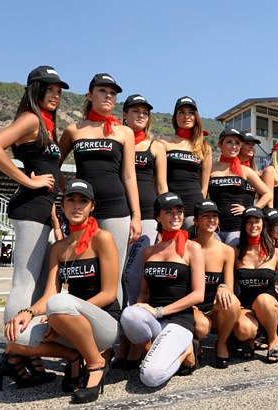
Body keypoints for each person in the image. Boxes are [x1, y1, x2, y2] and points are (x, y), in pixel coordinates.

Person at [0, 66, 67, 384]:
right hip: (29, 208)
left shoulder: (45, 124)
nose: (56, 94)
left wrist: (56, 219)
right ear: (35, 90)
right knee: (24, 284)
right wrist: (27, 182)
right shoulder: (30, 119)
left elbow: (51, 180)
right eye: (50, 89)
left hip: (42, 212)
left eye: (59, 90)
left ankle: (26, 356)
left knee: (36, 291)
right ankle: (13, 358)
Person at [2, 179, 120, 403]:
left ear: (92, 206)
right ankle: (74, 356)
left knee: (59, 304)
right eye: (71, 200)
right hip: (67, 320)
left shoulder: (102, 238)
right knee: (14, 340)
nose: (77, 206)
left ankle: (96, 364)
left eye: (83, 201)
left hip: (104, 323)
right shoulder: (58, 248)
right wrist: (26, 313)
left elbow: (109, 294)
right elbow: (47, 296)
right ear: (62, 206)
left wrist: (61, 315)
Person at [59, 73, 140, 307]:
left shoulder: (124, 132)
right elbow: (53, 166)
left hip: (117, 209)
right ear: (89, 95)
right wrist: (68, 195)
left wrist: (135, 215)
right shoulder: (74, 130)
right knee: (84, 272)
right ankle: (80, 330)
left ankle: (112, 338)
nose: (108, 96)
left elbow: (129, 175)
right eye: (103, 91)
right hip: (82, 210)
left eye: (113, 93)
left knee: (113, 278)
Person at [120, 193, 205, 387]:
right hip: (155, 321)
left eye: (179, 212)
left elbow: (198, 294)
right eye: (169, 212)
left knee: (150, 378)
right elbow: (144, 292)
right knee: (128, 314)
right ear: (158, 217)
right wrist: (138, 310)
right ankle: (157, 351)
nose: (176, 216)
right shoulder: (148, 252)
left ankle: (187, 352)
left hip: (179, 322)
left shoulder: (193, 248)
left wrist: (160, 311)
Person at [115, 94, 168, 369]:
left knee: (134, 278)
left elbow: (162, 186)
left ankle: (132, 344)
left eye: (145, 112)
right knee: (115, 280)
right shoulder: (115, 139)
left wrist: (163, 223)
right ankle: (120, 340)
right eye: (135, 110)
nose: (140, 115)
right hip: (114, 213)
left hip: (146, 215)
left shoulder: (156, 146)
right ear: (124, 114)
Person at [232, 207, 278, 363]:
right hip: (246, 307)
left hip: (270, 307)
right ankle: (249, 339)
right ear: (243, 226)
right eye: (249, 222)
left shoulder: (276, 253)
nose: (253, 225)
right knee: (243, 330)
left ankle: (272, 338)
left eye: (257, 221)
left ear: (263, 224)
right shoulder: (235, 252)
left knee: (263, 300)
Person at [191, 200, 240, 369]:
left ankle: (222, 343)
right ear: (196, 221)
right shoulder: (187, 248)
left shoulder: (227, 250)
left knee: (232, 302)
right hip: (194, 310)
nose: (211, 220)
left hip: (215, 310)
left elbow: (230, 288)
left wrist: (223, 287)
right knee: (200, 326)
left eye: (214, 216)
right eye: (206, 216)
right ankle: (197, 343)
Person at [209, 128, 271, 247]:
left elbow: (267, 194)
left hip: (236, 228)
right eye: (229, 142)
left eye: (237, 143)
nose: (234, 146)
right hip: (213, 227)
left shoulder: (245, 170)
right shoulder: (211, 169)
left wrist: (249, 210)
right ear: (220, 145)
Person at [159, 96, 212, 230]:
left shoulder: (204, 147)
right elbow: (158, 179)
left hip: (194, 205)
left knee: (193, 247)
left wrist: (200, 208)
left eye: (191, 113)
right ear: (175, 117)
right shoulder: (163, 143)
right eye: (181, 112)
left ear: (196, 117)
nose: (186, 116)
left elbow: (204, 187)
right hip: (170, 206)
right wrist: (165, 205)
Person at [239, 131, 262, 207]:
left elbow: (264, 196)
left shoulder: (256, 173)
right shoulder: (229, 169)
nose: (251, 147)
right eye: (247, 143)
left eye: (253, 144)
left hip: (249, 216)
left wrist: (254, 210)